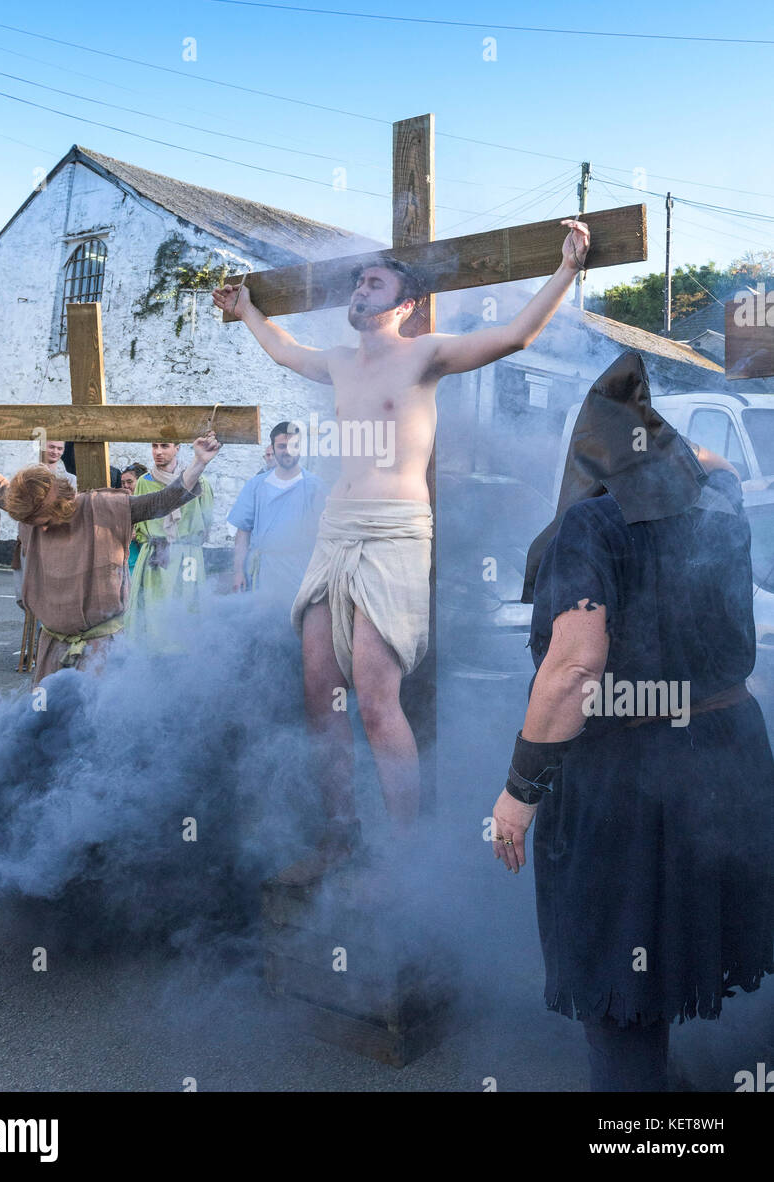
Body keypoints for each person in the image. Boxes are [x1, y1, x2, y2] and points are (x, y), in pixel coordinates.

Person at [213, 218, 590, 879]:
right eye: (358, 280)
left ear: (404, 304)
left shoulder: (423, 354)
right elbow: (284, 350)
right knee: (316, 690)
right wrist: (245, 308)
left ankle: (405, 857)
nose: (359, 287)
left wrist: (564, 270)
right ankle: (338, 836)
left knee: (377, 697)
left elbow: (513, 334)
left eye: (374, 281)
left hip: (394, 531)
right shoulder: (336, 363)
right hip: (337, 531)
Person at [490, 352, 774, 1092]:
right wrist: (668, 439)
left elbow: (575, 669)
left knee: (618, 981)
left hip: (633, 778)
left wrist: (518, 793)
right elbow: (713, 464)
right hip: (730, 755)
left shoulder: (589, 527)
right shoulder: (720, 502)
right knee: (678, 942)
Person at [0, 430, 220, 684]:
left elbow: (162, 501)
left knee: (97, 722)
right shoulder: (29, 510)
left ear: (58, 505)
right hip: (52, 646)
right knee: (46, 719)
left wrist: (199, 462)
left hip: (101, 646)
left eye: (42, 520)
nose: (38, 528)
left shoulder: (105, 508)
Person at [228, 421, 327, 609]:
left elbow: (325, 538)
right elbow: (243, 532)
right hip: (262, 572)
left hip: (299, 572)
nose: (287, 451)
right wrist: (238, 572)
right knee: (261, 628)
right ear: (272, 447)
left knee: (294, 629)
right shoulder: (256, 485)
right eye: (282, 446)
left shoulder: (315, 487)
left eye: (293, 445)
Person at [126, 441, 215, 650]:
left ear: (177, 448)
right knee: (151, 611)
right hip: (155, 556)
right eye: (154, 446)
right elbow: (138, 525)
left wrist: (184, 543)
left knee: (188, 608)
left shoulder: (200, 482)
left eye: (165, 446)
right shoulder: (144, 483)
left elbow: (206, 522)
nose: (158, 451)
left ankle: (185, 657)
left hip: (187, 555)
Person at [120, 462, 149, 572]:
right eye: (122, 483)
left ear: (141, 482)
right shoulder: (121, 505)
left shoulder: (152, 503)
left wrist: (139, 534)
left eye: (129, 482)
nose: (125, 486)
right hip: (130, 565)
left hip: (148, 561)